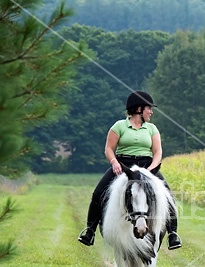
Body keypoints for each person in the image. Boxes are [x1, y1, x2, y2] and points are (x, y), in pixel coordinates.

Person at [78, 90, 182, 250]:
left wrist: (152, 168)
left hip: (147, 166)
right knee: (98, 193)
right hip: (123, 166)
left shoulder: (152, 129)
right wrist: (114, 162)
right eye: (149, 108)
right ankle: (89, 230)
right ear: (139, 109)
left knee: (168, 196)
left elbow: (158, 152)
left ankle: (173, 234)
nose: (151, 112)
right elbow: (109, 148)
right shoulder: (119, 126)